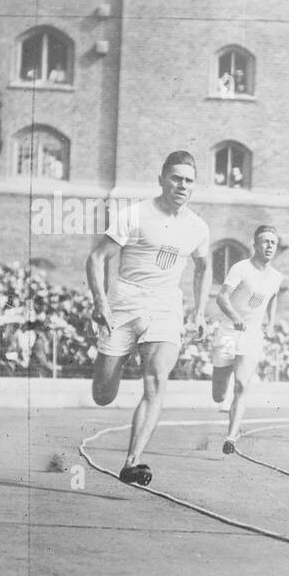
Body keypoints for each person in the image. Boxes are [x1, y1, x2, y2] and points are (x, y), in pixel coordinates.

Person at [87, 150, 210, 485]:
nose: (182, 185)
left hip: (166, 307)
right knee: (102, 395)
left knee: (156, 381)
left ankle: (133, 461)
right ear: (162, 180)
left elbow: (203, 267)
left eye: (189, 180)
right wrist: (99, 301)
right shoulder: (135, 214)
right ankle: (119, 357)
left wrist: (199, 311)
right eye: (176, 178)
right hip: (125, 301)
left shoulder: (198, 227)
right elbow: (97, 258)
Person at [211, 226, 283, 455]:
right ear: (255, 245)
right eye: (265, 241)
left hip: (252, 334)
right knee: (219, 392)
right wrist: (235, 317)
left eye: (273, 242)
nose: (270, 246)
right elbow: (222, 298)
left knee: (242, 384)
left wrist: (271, 322)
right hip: (230, 331)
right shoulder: (241, 268)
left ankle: (231, 437)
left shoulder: (276, 277)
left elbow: (272, 299)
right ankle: (219, 394)